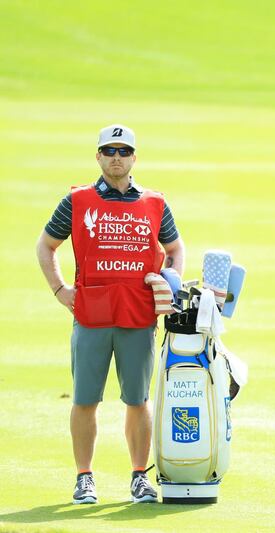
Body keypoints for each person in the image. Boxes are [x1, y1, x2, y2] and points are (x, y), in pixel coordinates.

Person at [36, 124, 185, 504]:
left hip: (137, 315)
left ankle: (139, 477)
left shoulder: (154, 203)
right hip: (91, 315)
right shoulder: (78, 200)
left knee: (137, 400)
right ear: (98, 156)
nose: (116, 157)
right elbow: (46, 245)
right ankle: (84, 477)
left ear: (134, 157)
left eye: (123, 151)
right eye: (109, 150)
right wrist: (59, 289)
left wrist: (171, 283)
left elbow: (175, 248)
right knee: (85, 399)